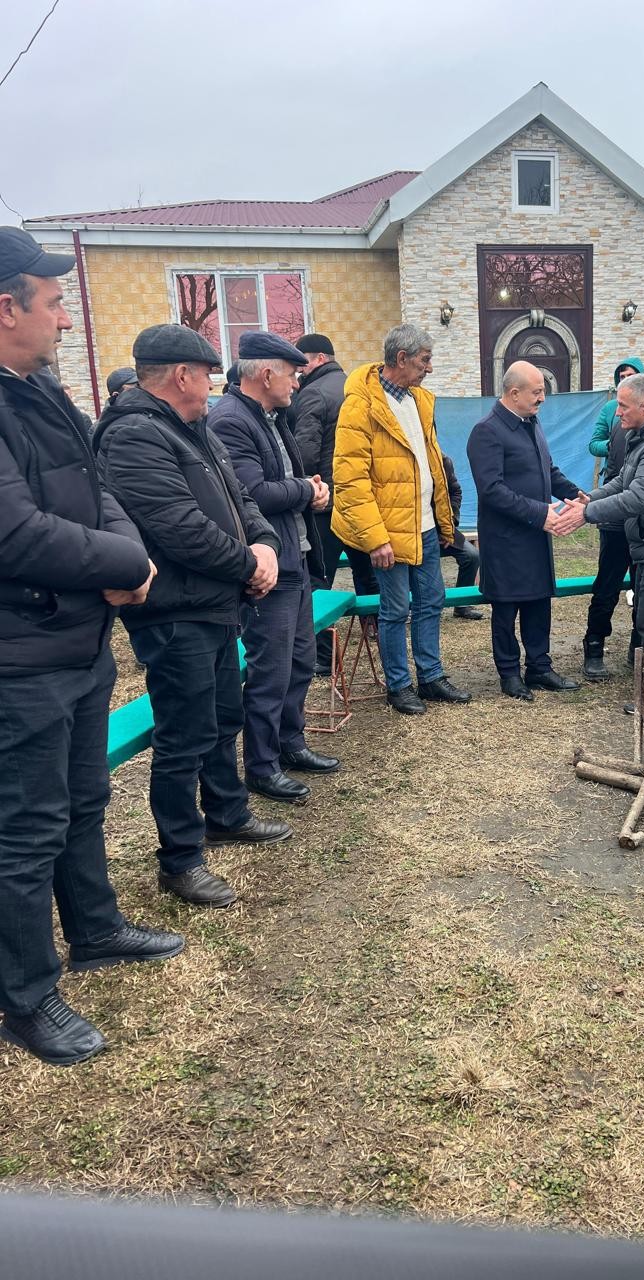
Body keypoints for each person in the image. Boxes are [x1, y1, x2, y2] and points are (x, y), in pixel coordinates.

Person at [0, 227, 183, 1067]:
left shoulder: (43, 393)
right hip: (19, 662)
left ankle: (97, 930)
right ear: (9, 307)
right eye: (54, 300)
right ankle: (27, 996)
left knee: (81, 804)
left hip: (76, 646)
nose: (66, 320)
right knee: (26, 830)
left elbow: (100, 489)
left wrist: (129, 555)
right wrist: (126, 560)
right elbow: (17, 534)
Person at [94, 324, 292, 909]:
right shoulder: (133, 435)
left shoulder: (193, 427)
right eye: (207, 375)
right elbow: (177, 528)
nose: (214, 385)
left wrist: (265, 547)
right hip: (175, 613)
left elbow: (243, 501)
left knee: (223, 714)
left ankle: (226, 813)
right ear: (181, 375)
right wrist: (248, 566)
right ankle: (180, 859)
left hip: (213, 607)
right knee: (183, 735)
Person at [209, 331, 340, 805]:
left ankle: (290, 744)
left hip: (295, 557)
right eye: (292, 375)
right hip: (271, 567)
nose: (296, 384)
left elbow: (280, 481)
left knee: (299, 662)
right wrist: (308, 490)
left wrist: (305, 488)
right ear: (266, 374)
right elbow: (254, 493)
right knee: (270, 671)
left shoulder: (271, 416)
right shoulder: (230, 421)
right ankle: (262, 767)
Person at [332, 323, 471, 715]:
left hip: (424, 526)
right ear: (401, 359)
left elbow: (432, 467)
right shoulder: (360, 406)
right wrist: (376, 538)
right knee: (395, 610)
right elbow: (351, 479)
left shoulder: (419, 401)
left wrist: (444, 522)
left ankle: (430, 677)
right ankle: (399, 686)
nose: (429, 368)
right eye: (424, 360)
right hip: (388, 533)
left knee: (432, 600)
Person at [556, 373, 644, 715]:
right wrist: (589, 499)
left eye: (622, 405)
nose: (617, 413)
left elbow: (638, 498)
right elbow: (621, 481)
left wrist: (586, 514)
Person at [467, 360, 582, 701]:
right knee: (506, 607)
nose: (542, 399)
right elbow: (491, 490)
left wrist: (574, 493)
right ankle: (509, 673)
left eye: (542, 392)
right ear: (513, 393)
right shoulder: (487, 431)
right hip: (505, 539)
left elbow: (548, 469)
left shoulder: (531, 422)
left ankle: (539, 667)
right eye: (537, 392)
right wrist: (539, 513)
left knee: (538, 602)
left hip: (535, 533)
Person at [291, 333, 377, 599]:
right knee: (367, 573)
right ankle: (374, 631)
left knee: (319, 577)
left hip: (326, 504)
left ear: (319, 358)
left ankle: (321, 640)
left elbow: (305, 452)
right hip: (360, 498)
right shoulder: (359, 389)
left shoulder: (313, 393)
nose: (298, 370)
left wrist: (301, 489)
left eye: (301, 363)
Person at [581, 357, 644, 679]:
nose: (619, 411)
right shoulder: (621, 431)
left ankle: (639, 649)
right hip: (616, 523)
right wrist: (591, 506)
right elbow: (620, 481)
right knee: (607, 585)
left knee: (641, 588)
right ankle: (594, 646)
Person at [441, 452, 483, 620]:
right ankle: (413, 607)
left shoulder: (444, 461)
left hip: (445, 528)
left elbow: (455, 492)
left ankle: (461, 604)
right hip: (414, 533)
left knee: (472, 556)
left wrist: (448, 525)